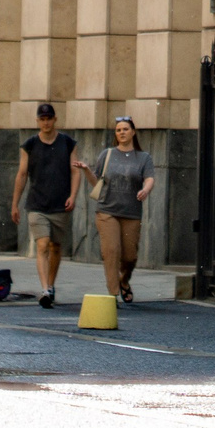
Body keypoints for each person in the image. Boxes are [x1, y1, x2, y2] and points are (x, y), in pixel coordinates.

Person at [12, 103, 81, 308]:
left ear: (55, 119)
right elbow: (22, 174)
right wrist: (15, 203)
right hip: (37, 204)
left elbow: (75, 171)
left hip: (61, 203)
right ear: (37, 121)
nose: (46, 122)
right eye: (42, 119)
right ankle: (44, 289)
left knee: (56, 247)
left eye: (49, 118)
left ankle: (51, 285)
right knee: (42, 245)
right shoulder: (29, 145)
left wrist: (73, 195)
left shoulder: (68, 142)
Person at [89, 116, 158, 304]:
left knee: (130, 256)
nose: (122, 133)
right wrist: (85, 171)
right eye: (118, 130)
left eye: (125, 129)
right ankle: (112, 295)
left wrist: (145, 189)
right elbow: (96, 181)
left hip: (131, 212)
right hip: (107, 210)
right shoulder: (107, 154)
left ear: (133, 132)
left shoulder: (143, 157)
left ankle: (124, 280)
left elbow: (149, 177)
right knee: (111, 251)